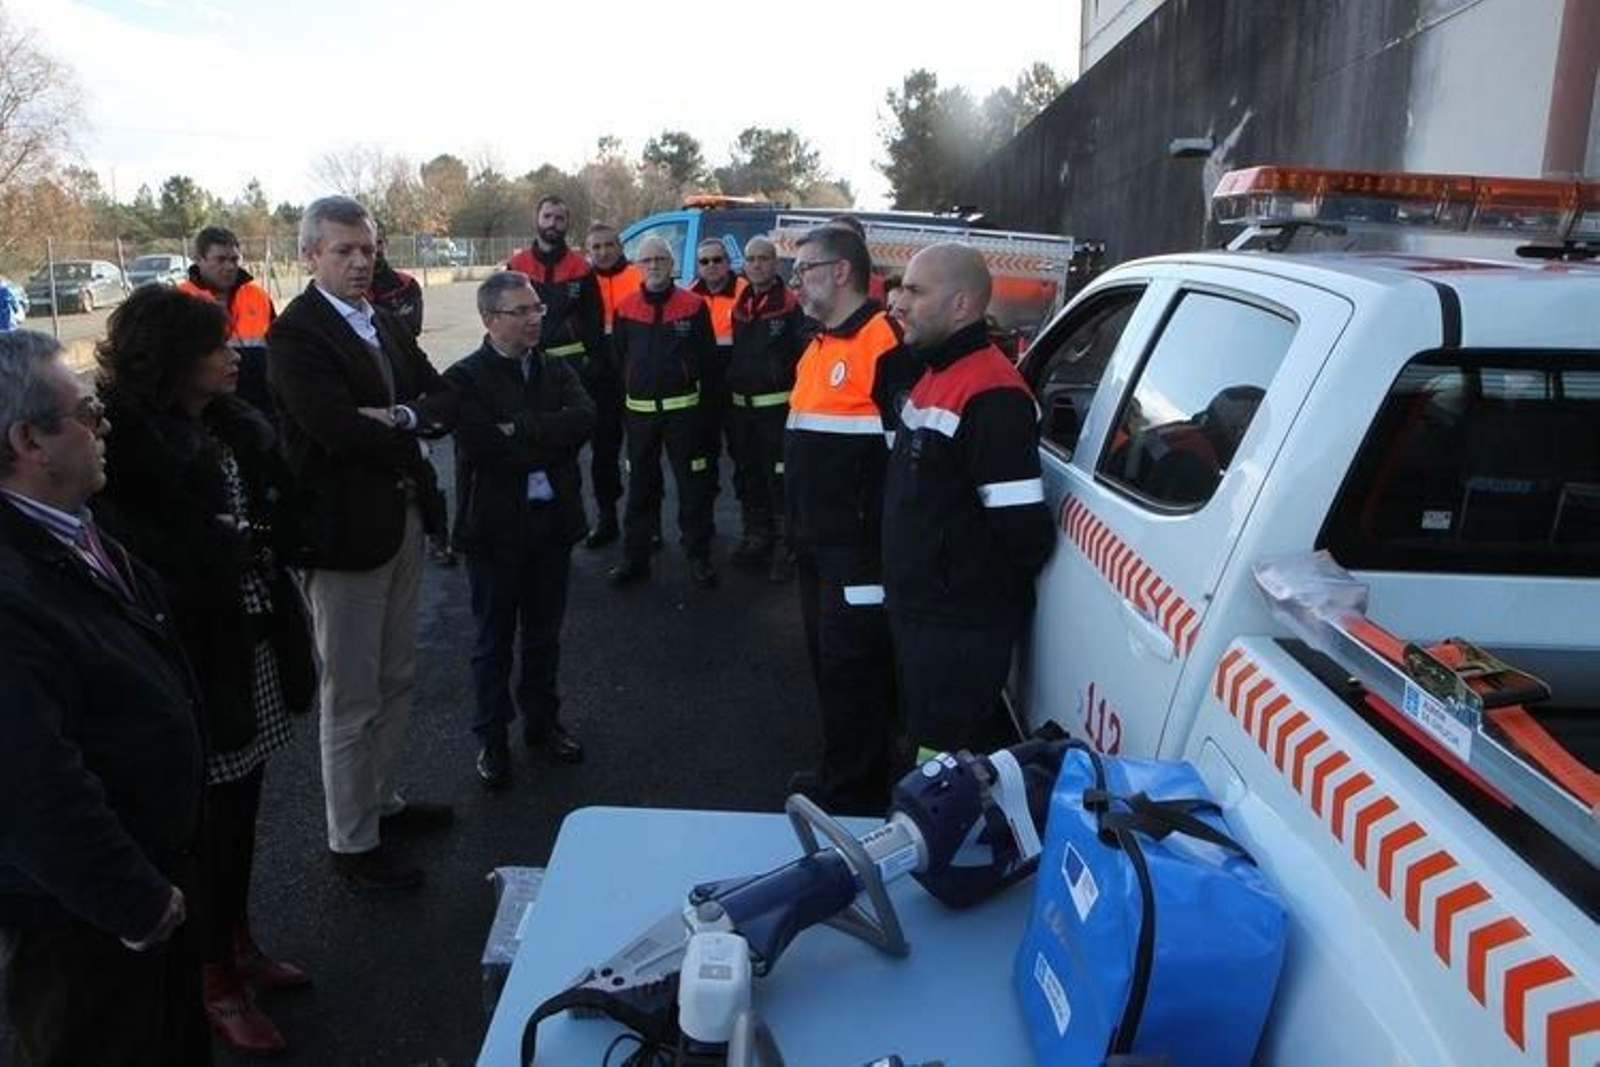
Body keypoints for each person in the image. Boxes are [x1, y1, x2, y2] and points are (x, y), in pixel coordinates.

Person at [92, 286, 317, 1055]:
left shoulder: (226, 424)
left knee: (244, 807)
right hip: (194, 656)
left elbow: (267, 513)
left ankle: (239, 942)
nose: (233, 354)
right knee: (204, 828)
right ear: (170, 358)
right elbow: (146, 562)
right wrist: (221, 547)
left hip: (250, 638)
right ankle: (211, 975)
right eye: (215, 345)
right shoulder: (127, 446)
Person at [0, 329, 210, 1066]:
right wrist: (134, 900)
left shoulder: (73, 526)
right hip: (87, 921)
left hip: (152, 873)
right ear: (30, 440)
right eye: (88, 413)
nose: (105, 425)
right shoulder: (11, 587)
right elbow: (29, 780)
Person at [267, 195, 460, 891]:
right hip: (343, 536)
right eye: (343, 250)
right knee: (351, 695)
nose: (359, 262)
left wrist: (399, 415)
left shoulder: (381, 319)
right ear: (309, 256)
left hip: (400, 518)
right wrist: (407, 426)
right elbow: (335, 431)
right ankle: (352, 841)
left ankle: (380, 802)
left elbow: (443, 396)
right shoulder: (297, 335)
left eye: (367, 250)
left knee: (395, 676)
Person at [884, 243, 1054, 754]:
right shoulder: (940, 371)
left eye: (915, 291)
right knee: (924, 740)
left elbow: (1025, 532)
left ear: (961, 305)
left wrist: (957, 586)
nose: (899, 302)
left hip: (956, 624)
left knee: (943, 760)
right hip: (929, 613)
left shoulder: (992, 394)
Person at [784, 225, 918, 814]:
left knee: (855, 669)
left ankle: (854, 793)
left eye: (804, 269)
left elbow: (909, 461)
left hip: (859, 552)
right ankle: (844, 770)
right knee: (831, 667)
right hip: (817, 543)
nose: (795, 281)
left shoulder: (885, 343)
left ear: (841, 272)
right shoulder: (819, 344)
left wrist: (881, 547)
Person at [444, 272, 595, 788]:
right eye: (522, 311)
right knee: (493, 642)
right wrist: (549, 438)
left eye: (537, 309)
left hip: (551, 525)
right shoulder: (463, 378)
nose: (535, 319)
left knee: (544, 636)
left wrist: (523, 428)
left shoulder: (555, 367)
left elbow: (585, 419)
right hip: (494, 530)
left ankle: (542, 723)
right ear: (490, 319)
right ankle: (492, 739)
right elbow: (484, 447)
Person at [609, 236, 718, 589]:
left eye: (660, 259)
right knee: (640, 488)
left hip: (684, 415)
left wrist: (706, 416)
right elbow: (619, 360)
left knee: (694, 489)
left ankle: (698, 555)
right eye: (647, 260)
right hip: (640, 417)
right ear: (638, 266)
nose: (654, 265)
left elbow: (707, 361)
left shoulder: (693, 306)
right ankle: (635, 558)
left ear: (672, 265)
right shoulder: (625, 309)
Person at [368, 229, 456, 567]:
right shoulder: (345, 289)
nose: (370, 252)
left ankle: (438, 537)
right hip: (367, 389)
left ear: (384, 245)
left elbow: (410, 329)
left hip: (404, 380)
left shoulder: (405, 284)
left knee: (422, 469)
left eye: (375, 243)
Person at [728, 235, 806, 580]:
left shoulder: (790, 304)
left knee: (779, 478)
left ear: (775, 263)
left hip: (776, 410)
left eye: (764, 258)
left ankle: (785, 549)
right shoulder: (741, 301)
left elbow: (802, 356)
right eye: (751, 258)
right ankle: (756, 537)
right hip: (742, 410)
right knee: (748, 474)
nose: (757, 264)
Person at [580, 222, 638, 548]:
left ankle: (647, 523)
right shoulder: (582, 280)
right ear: (588, 251)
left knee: (643, 454)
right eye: (596, 247)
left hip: (636, 373)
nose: (603, 252)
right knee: (603, 453)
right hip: (599, 378)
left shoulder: (638, 275)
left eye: (609, 245)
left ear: (621, 246)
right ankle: (607, 518)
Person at [177, 226, 276, 412]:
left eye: (234, 259)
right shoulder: (180, 300)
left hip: (259, 403)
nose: (230, 267)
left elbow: (277, 348)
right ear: (199, 259)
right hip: (205, 408)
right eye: (220, 260)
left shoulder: (258, 296)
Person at [688, 237, 747, 510]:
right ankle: (704, 518)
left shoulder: (746, 292)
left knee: (744, 454)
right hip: (705, 389)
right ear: (698, 266)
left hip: (739, 385)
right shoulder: (689, 296)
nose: (711, 265)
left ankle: (753, 519)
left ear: (728, 262)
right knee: (704, 454)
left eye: (717, 259)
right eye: (704, 261)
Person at [827, 215, 889, 305]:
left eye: (845, 239)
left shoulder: (880, 288)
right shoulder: (812, 284)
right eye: (831, 238)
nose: (836, 244)